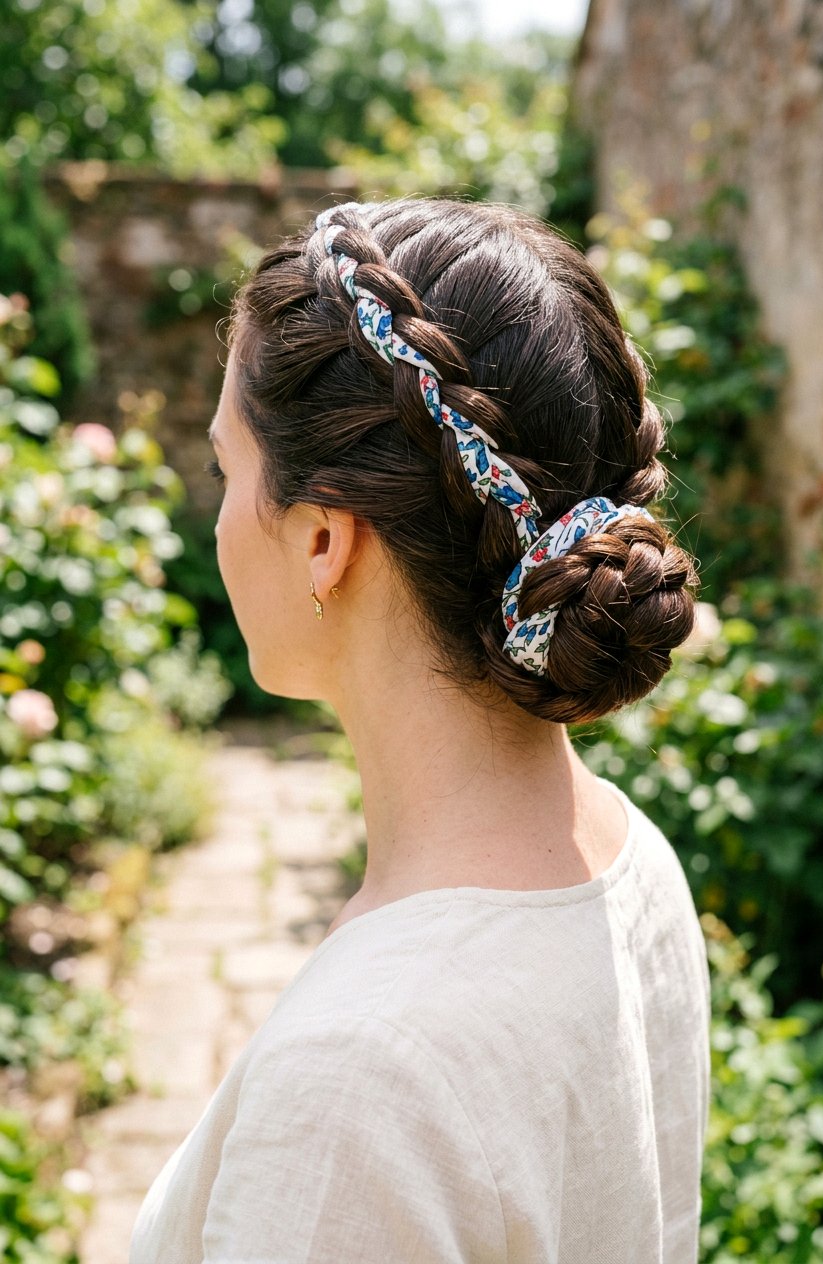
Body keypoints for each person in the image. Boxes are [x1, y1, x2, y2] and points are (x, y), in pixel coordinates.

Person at [129, 198, 711, 1263]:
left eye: (227, 469)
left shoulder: (355, 1085)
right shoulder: (632, 860)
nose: (217, 517)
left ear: (319, 538)